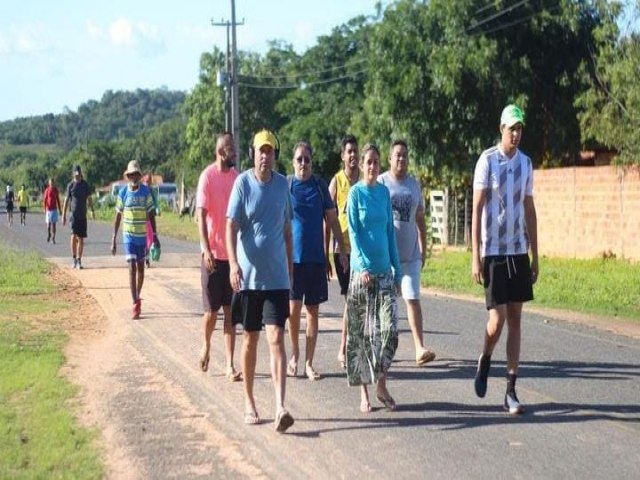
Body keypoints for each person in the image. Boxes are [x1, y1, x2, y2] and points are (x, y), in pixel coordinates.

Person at [226, 129, 294, 432]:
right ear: (252, 154)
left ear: (276, 155)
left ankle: (280, 407)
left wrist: (290, 270)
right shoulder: (242, 184)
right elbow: (231, 226)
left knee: (276, 338)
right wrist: (232, 264)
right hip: (250, 280)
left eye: (270, 151)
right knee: (250, 339)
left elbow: (288, 231)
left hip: (277, 278)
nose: (265, 156)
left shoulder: (283, 186)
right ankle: (250, 401)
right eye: (260, 151)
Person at [472, 104, 539, 415]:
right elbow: (476, 209)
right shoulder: (487, 161)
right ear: (501, 128)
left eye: (520, 128)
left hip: (517, 252)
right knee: (496, 321)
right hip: (494, 253)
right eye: (512, 128)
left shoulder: (526, 164)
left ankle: (510, 390)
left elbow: (528, 208)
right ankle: (486, 357)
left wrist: (535, 253)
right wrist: (476, 255)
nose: (516, 133)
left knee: (516, 319)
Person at [346, 144, 402, 413]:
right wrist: (363, 265)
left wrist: (397, 268)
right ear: (361, 165)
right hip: (363, 275)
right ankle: (365, 394)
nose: (372, 166)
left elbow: (390, 233)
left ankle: (381, 382)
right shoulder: (355, 194)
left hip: (384, 274)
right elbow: (354, 234)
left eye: (376, 162)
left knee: (390, 331)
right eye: (368, 162)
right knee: (364, 336)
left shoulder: (383, 193)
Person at [287, 141, 348, 381]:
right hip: (293, 261)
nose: (303, 163)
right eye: (299, 159)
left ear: (312, 161)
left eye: (307, 159)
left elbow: (333, 221)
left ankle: (309, 364)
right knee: (293, 311)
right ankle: (294, 355)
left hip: (315, 260)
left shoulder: (320, 186)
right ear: (293, 162)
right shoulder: (287, 186)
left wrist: (341, 251)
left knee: (313, 312)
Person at [379, 140, 436, 366]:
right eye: (397, 155)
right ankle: (384, 349)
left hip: (411, 255)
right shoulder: (382, 183)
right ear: (390, 158)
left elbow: (420, 218)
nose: (401, 159)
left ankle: (419, 348)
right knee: (387, 304)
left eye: (404, 155)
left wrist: (423, 247)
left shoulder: (414, 185)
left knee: (413, 299)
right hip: (387, 257)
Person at [195, 132, 241, 381]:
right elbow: (200, 216)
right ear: (221, 151)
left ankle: (230, 365)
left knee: (230, 313)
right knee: (211, 312)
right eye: (231, 148)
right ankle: (206, 345)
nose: (234, 152)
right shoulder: (208, 177)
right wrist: (206, 249)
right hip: (211, 256)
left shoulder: (237, 179)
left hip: (231, 257)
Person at [110, 160, 160, 320]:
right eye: (131, 174)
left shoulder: (146, 192)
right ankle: (134, 302)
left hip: (142, 236)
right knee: (131, 266)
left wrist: (156, 236)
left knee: (141, 269)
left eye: (136, 174)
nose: (133, 177)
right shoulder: (123, 193)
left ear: (139, 175)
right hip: (129, 236)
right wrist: (114, 238)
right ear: (128, 176)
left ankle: (137, 295)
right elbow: (118, 216)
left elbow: (151, 215)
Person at [327, 135, 360, 369]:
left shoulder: (365, 180)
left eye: (355, 151)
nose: (352, 155)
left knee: (358, 299)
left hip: (363, 249)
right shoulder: (336, 182)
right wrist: (326, 253)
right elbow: (328, 219)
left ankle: (353, 345)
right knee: (351, 297)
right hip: (343, 250)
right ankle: (344, 347)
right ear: (342, 155)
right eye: (348, 151)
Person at [62, 165, 95, 269]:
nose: (77, 177)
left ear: (81, 174)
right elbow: (66, 201)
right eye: (75, 175)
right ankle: (73, 258)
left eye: (78, 175)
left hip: (82, 215)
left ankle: (79, 260)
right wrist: (63, 215)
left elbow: (89, 199)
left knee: (81, 238)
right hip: (73, 215)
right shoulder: (70, 186)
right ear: (73, 174)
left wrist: (92, 210)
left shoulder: (85, 185)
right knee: (73, 235)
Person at [141, 173, 160, 268]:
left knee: (149, 240)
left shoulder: (152, 190)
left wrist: (157, 210)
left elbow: (155, 202)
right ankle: (142, 258)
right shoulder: (140, 189)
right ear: (144, 179)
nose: (148, 182)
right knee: (142, 240)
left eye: (149, 180)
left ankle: (147, 259)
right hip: (140, 219)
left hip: (149, 218)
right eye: (147, 180)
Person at [43, 177, 62, 244]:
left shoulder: (55, 190)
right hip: (48, 209)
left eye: (53, 182)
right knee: (48, 225)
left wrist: (60, 209)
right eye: (51, 182)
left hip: (54, 209)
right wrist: (44, 208)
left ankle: (53, 238)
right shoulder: (47, 190)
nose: (52, 184)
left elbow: (58, 200)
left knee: (54, 225)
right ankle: (49, 234)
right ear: (49, 183)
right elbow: (45, 200)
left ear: (54, 183)